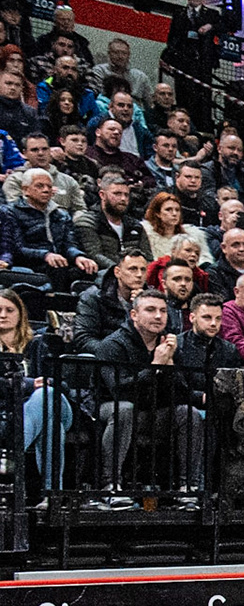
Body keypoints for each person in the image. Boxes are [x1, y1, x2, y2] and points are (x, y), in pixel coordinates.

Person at [92, 287, 203, 495]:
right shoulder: (113, 345)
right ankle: (110, 486)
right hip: (109, 409)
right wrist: (154, 367)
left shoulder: (169, 345)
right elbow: (119, 391)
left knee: (189, 413)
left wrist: (170, 367)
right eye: (150, 310)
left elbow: (180, 394)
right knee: (124, 409)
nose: (158, 316)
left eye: (163, 311)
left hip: (153, 412)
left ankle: (189, 487)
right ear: (134, 315)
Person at [0, 286, 69, 487]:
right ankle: (52, 494)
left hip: (58, 404)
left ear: (20, 314)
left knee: (45, 395)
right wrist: (29, 384)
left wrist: (46, 382)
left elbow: (62, 382)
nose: (3, 315)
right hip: (16, 413)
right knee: (51, 424)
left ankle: (12, 457)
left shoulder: (38, 344)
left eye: (10, 310)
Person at [8, 167, 95, 290]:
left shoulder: (61, 215)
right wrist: (46, 255)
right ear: (25, 190)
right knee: (56, 269)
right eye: (40, 186)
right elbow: (16, 248)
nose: (46, 190)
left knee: (87, 268)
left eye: (49, 186)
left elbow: (69, 243)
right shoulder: (11, 212)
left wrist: (78, 256)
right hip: (30, 264)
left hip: (58, 262)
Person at [74, 171, 152, 268]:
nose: (123, 198)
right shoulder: (87, 222)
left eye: (126, 195)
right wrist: (121, 271)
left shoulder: (135, 226)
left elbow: (148, 257)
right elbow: (95, 255)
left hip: (136, 273)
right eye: (117, 194)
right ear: (102, 195)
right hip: (104, 274)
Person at [4, 131, 82, 211]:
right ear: (24, 153)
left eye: (44, 149)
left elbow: (80, 209)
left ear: (50, 151)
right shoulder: (15, 180)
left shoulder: (68, 181)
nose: (40, 153)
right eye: (34, 150)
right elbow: (14, 209)